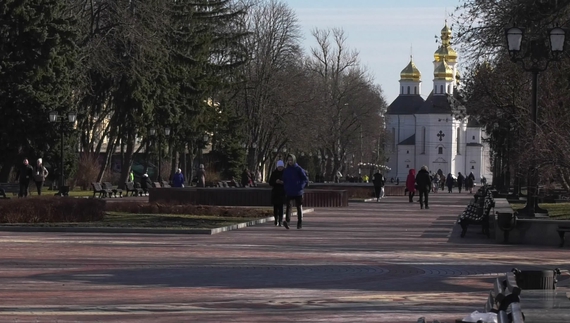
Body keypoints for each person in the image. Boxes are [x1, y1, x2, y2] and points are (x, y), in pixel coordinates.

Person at [282, 154, 308, 230]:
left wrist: (300, 186)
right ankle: (287, 221)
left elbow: (305, 179)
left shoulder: (299, 169)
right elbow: (284, 179)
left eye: (291, 160)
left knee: (299, 207)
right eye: (288, 160)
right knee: (289, 206)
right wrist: (286, 187)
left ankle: (299, 222)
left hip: (298, 192)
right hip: (289, 191)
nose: (290, 162)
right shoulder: (287, 170)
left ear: (294, 160)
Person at [268, 160, 286, 226]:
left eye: (281, 167)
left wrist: (283, 182)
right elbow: (270, 182)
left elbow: (288, 182)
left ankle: (280, 221)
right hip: (275, 192)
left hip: (282, 192)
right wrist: (275, 181)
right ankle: (276, 220)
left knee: (281, 207)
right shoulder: (274, 173)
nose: (280, 168)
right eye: (279, 167)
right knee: (275, 208)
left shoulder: (285, 173)